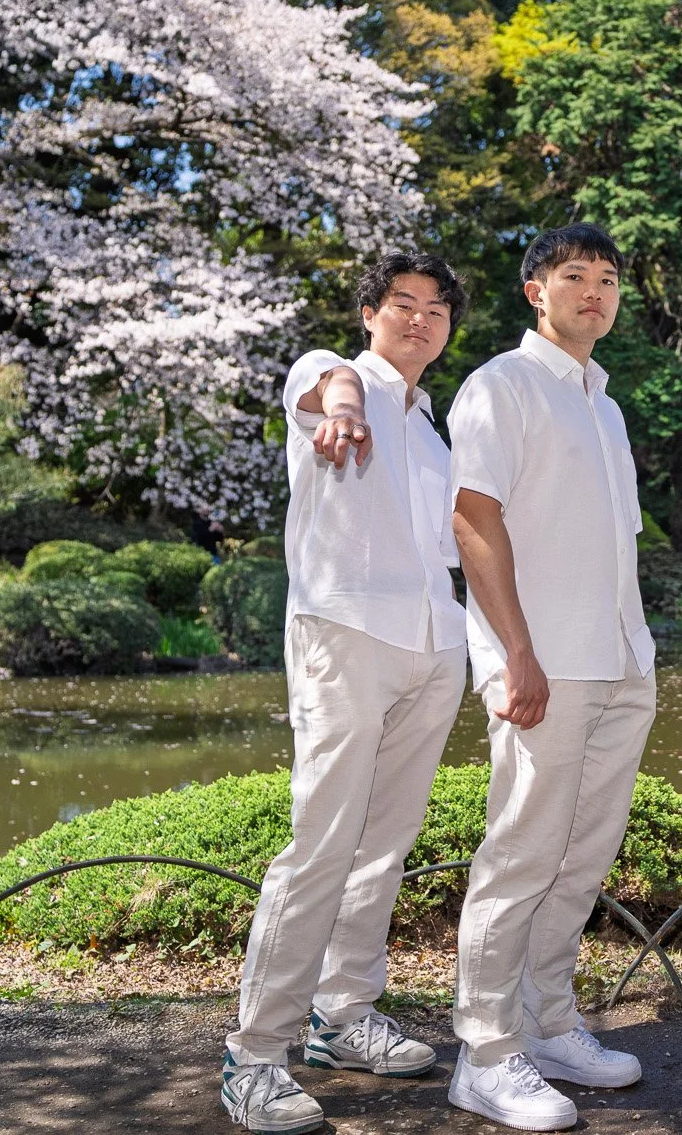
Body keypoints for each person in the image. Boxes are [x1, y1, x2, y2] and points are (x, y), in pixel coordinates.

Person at [222, 254, 470, 1135]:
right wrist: (343, 405)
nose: (419, 320)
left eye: (436, 310)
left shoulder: (437, 429)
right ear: (370, 313)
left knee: (385, 844)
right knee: (322, 840)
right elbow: (325, 386)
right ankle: (254, 1053)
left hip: (435, 644)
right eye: (402, 304)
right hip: (344, 633)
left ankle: (342, 1014)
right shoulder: (335, 377)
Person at [443, 225, 658, 1131]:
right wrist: (516, 653)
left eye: (608, 281)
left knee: (582, 854)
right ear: (537, 288)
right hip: (544, 663)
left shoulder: (603, 405)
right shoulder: (502, 385)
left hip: (618, 659)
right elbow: (472, 518)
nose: (595, 294)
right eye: (576, 277)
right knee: (521, 853)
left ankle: (549, 1019)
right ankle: (484, 1052)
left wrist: (640, 650)